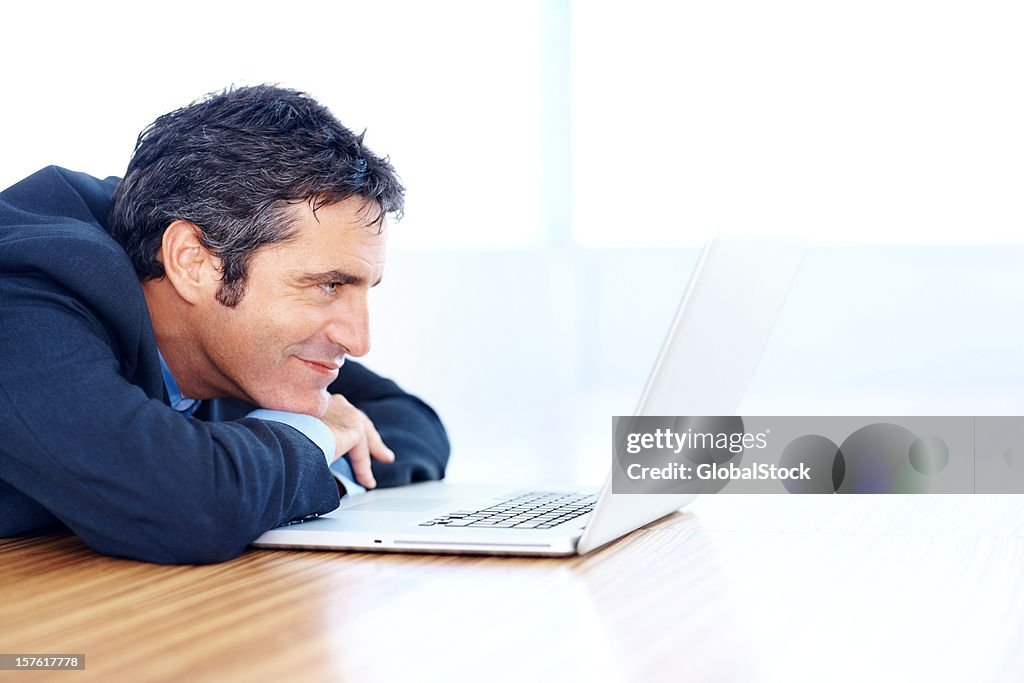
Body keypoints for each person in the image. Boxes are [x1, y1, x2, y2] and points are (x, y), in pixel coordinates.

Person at [0, 85, 450, 564]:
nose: (358, 341)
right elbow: (185, 505)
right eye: (328, 286)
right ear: (193, 262)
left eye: (364, 289)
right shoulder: (26, 284)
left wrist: (281, 473)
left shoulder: (239, 333)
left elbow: (405, 422)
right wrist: (313, 442)